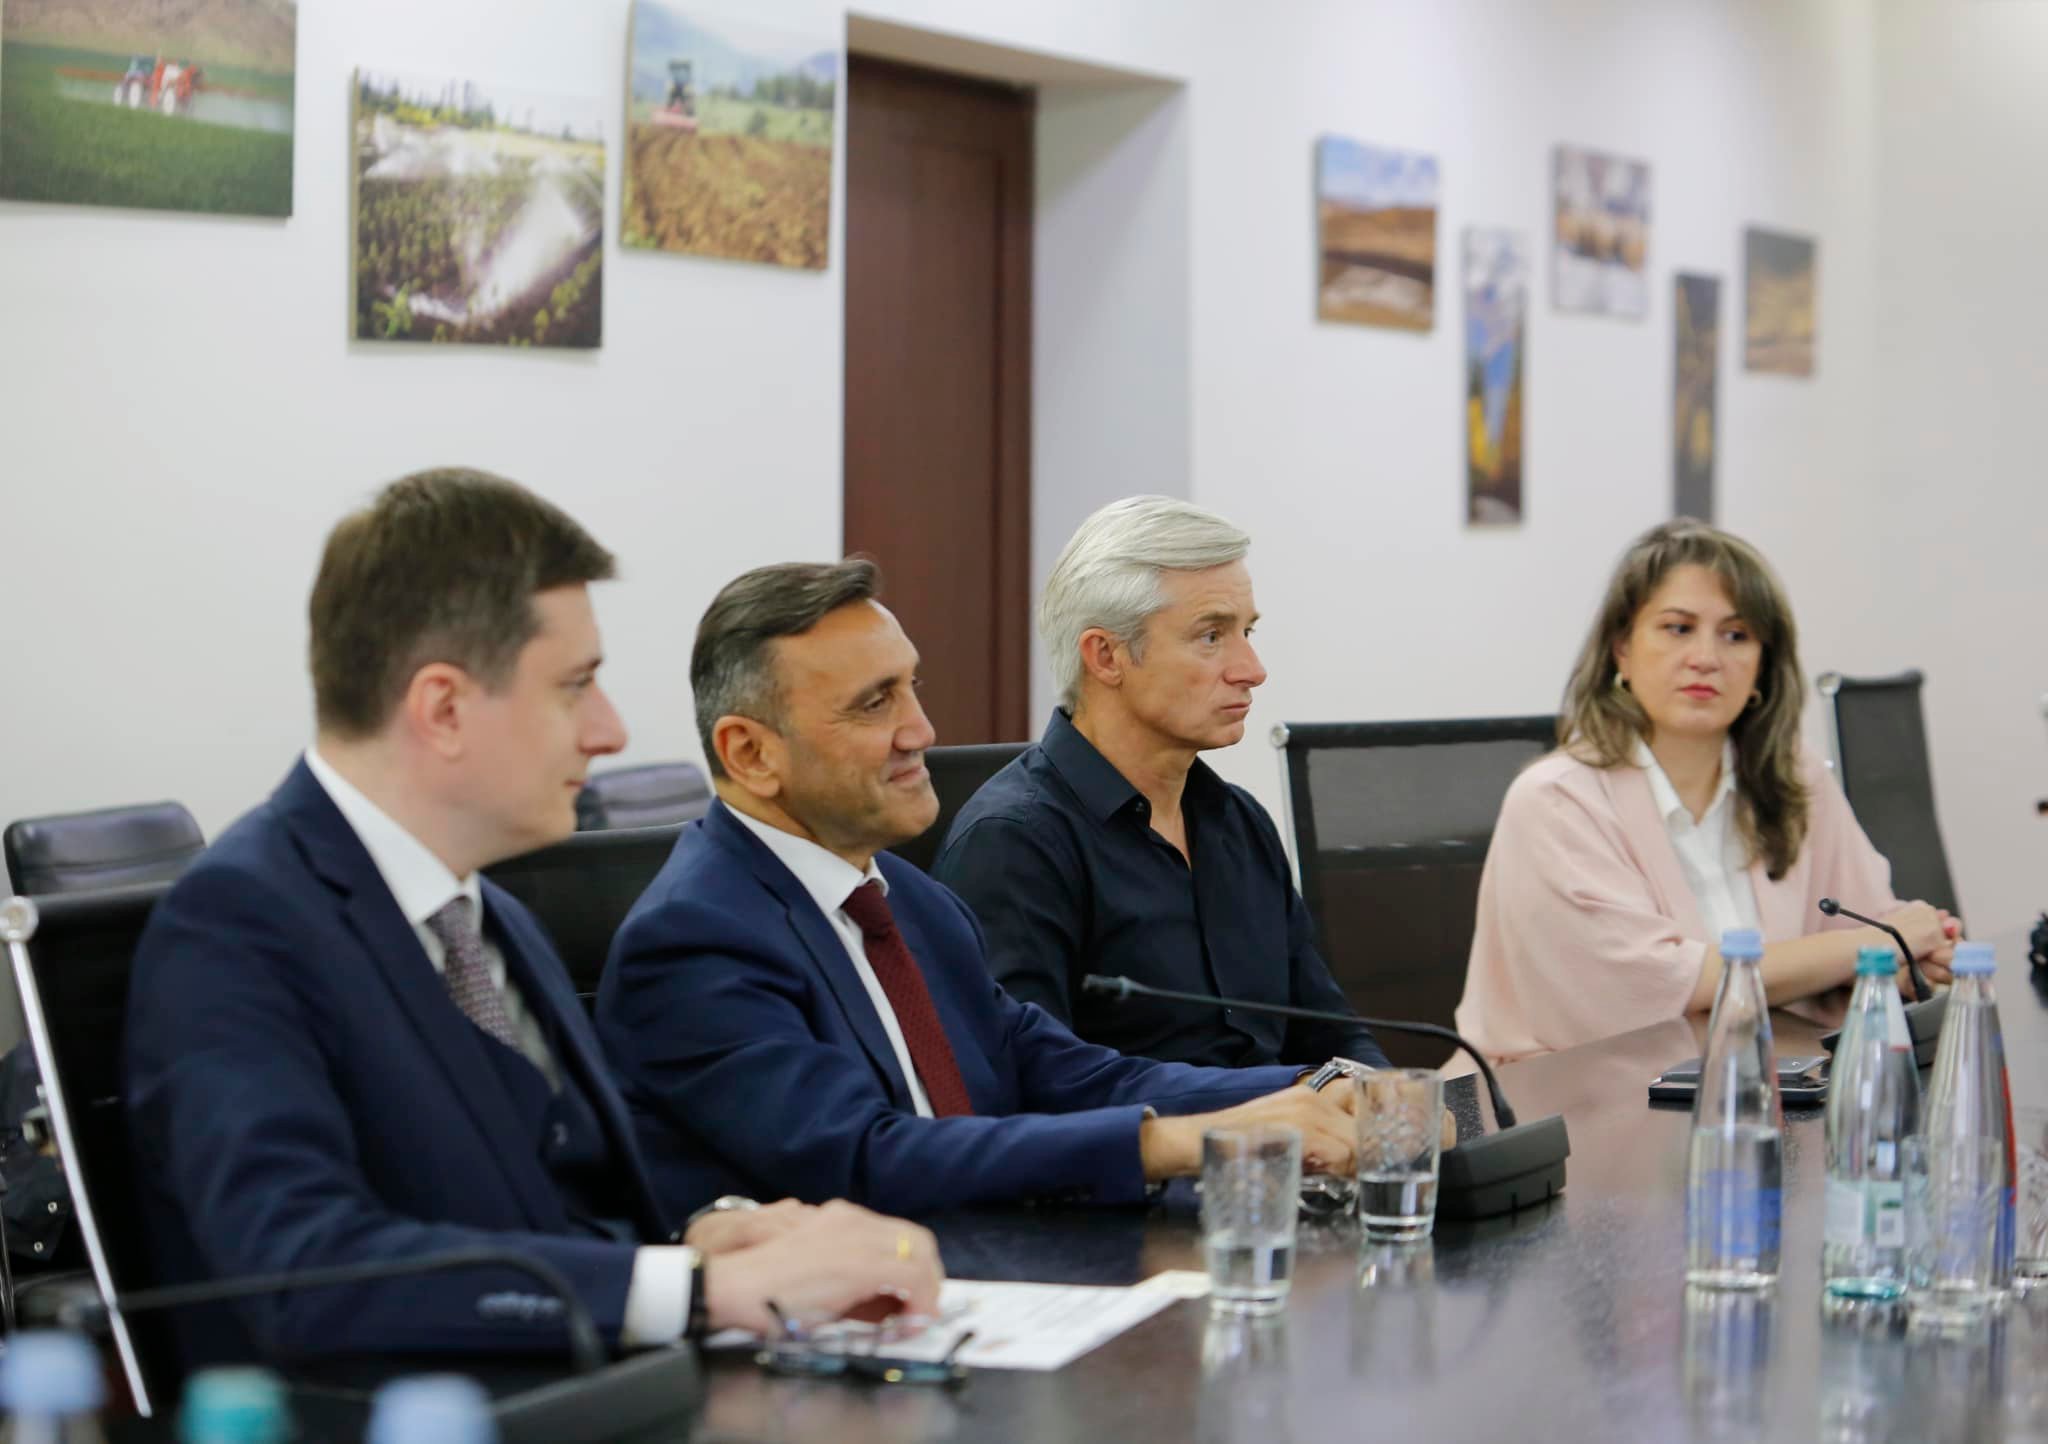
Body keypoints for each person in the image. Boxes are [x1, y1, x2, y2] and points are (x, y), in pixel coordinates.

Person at [125, 469, 941, 1368]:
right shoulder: (236, 928)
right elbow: (304, 1271)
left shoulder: (492, 918)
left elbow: (545, 1212)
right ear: (443, 709)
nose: (610, 730)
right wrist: (689, 1289)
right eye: (575, 685)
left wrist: (699, 1237)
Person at [595, 560, 1359, 1218]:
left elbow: (1062, 1070)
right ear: (750, 753)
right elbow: (867, 1156)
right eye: (875, 703)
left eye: (911, 689)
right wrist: (1179, 1141)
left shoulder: (908, 900)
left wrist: (1308, 1089)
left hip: (1000, 1275)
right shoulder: (695, 939)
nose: (921, 730)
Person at [1453, 518, 1958, 1063]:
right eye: (1678, 628)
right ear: (1622, 648)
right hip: (1574, 1095)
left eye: (1737, 635)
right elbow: (1649, 992)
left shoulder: (1794, 777)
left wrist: (1911, 962)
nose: (1706, 658)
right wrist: (1878, 945)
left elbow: (1870, 923)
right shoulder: (1556, 801)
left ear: (1763, 664)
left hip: (1765, 1084)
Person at [932, 496, 1386, 1070]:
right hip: (1151, 1133)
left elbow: (1331, 1034)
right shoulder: (1013, 843)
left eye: (1247, 631)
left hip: (1289, 1126)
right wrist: (1280, 1101)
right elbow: (1037, 1079)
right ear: (1106, 656)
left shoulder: (1238, 821)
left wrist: (1392, 1102)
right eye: (1211, 636)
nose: (1252, 670)